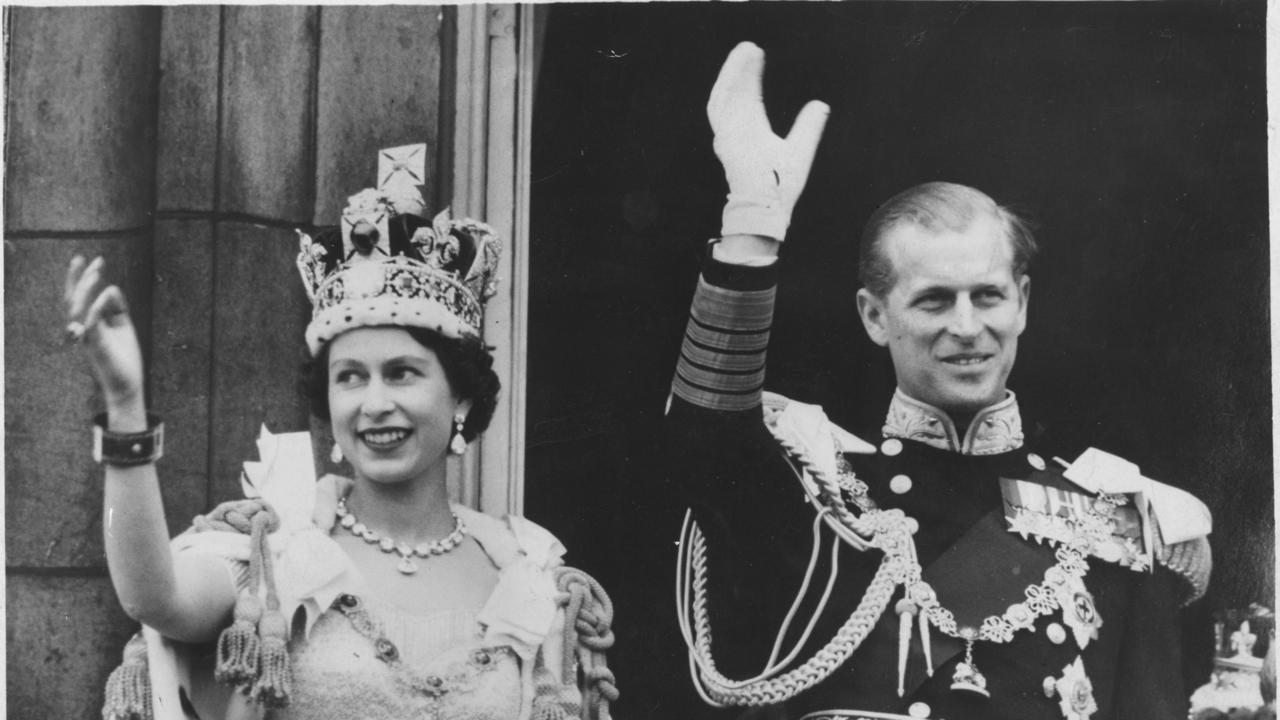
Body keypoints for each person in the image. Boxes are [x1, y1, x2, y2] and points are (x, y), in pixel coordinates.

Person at [667, 42, 1212, 720]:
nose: (966, 326)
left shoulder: (1121, 525)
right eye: (933, 300)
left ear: (1022, 306)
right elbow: (704, 445)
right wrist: (752, 224)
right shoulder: (825, 498)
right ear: (874, 315)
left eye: (987, 296)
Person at [69, 147, 616, 720]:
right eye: (350, 378)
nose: (375, 404)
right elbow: (155, 596)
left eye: (402, 373)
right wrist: (126, 406)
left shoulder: (528, 575)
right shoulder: (274, 555)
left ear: (461, 396)